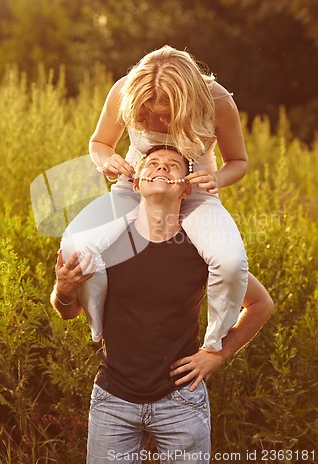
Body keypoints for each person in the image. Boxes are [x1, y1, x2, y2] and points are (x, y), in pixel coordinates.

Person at [51, 146, 274, 464]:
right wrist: (64, 289)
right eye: (152, 163)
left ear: (186, 188)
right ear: (137, 184)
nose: (161, 168)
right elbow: (67, 311)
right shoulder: (107, 244)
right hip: (113, 399)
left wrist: (218, 354)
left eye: (173, 165)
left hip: (182, 402)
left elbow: (261, 304)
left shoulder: (202, 249)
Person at [66, 45, 249, 353]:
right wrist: (106, 160)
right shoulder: (125, 90)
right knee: (75, 246)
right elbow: (99, 143)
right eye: (146, 112)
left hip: (194, 190)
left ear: (187, 99)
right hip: (134, 184)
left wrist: (216, 178)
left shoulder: (218, 102)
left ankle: (213, 344)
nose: (154, 119)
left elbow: (239, 162)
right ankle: (98, 327)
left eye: (163, 113)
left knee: (230, 262)